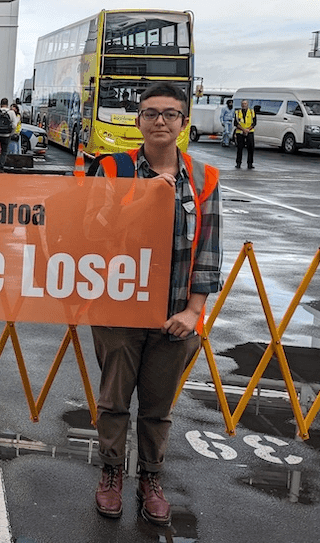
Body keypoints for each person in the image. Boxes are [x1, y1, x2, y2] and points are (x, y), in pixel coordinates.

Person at [90, 82, 222, 527]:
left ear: (184, 122)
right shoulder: (112, 168)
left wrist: (193, 312)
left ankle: (151, 477)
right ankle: (111, 473)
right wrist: (145, 199)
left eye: (170, 113)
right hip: (118, 308)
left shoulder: (204, 179)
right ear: (138, 121)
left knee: (157, 407)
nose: (160, 121)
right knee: (113, 400)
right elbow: (92, 232)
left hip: (174, 315)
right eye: (151, 113)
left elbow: (208, 250)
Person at [0, 97, 17, 168]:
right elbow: (14, 125)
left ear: (0, 104)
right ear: (7, 105)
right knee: (4, 151)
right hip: (6, 135)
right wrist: (11, 133)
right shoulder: (11, 112)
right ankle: (0, 166)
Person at [233, 98, 256, 169]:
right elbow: (235, 123)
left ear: (248, 104)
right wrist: (243, 130)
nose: (244, 105)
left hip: (249, 132)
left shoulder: (252, 112)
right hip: (240, 132)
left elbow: (254, 122)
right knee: (240, 148)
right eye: (243, 104)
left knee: (251, 148)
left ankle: (250, 163)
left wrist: (247, 130)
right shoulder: (237, 112)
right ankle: (238, 163)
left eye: (245, 104)